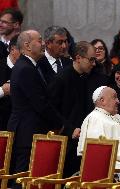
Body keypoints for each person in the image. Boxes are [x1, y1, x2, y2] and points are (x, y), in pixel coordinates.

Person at [7, 30, 64, 189]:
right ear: (27, 45)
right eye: (39, 41)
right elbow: (41, 104)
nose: (43, 43)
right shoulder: (26, 68)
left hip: (28, 129)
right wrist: (61, 123)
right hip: (27, 131)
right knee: (23, 178)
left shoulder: (29, 65)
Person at [47, 41, 95, 177]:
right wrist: (69, 129)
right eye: (91, 59)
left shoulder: (84, 78)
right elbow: (50, 110)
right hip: (65, 141)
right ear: (78, 58)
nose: (93, 63)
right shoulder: (61, 79)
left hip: (79, 139)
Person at [77, 86, 120, 180]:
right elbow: (101, 153)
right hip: (118, 170)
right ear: (102, 101)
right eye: (114, 97)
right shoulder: (95, 119)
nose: (118, 101)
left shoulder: (118, 117)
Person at [0, 34, 19, 130]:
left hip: (20, 126)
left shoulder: (33, 69)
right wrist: (3, 91)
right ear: (12, 49)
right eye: (23, 50)